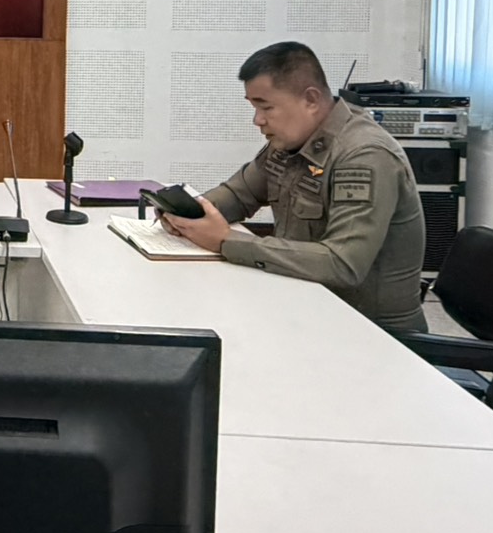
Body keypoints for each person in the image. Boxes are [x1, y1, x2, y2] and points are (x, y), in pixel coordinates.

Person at [159, 42, 427, 332]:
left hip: (369, 332)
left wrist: (226, 241)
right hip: (306, 306)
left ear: (310, 100)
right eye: (254, 107)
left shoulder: (364, 156)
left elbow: (342, 263)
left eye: (266, 107)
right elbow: (239, 194)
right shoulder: (290, 142)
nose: (257, 120)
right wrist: (188, 214)